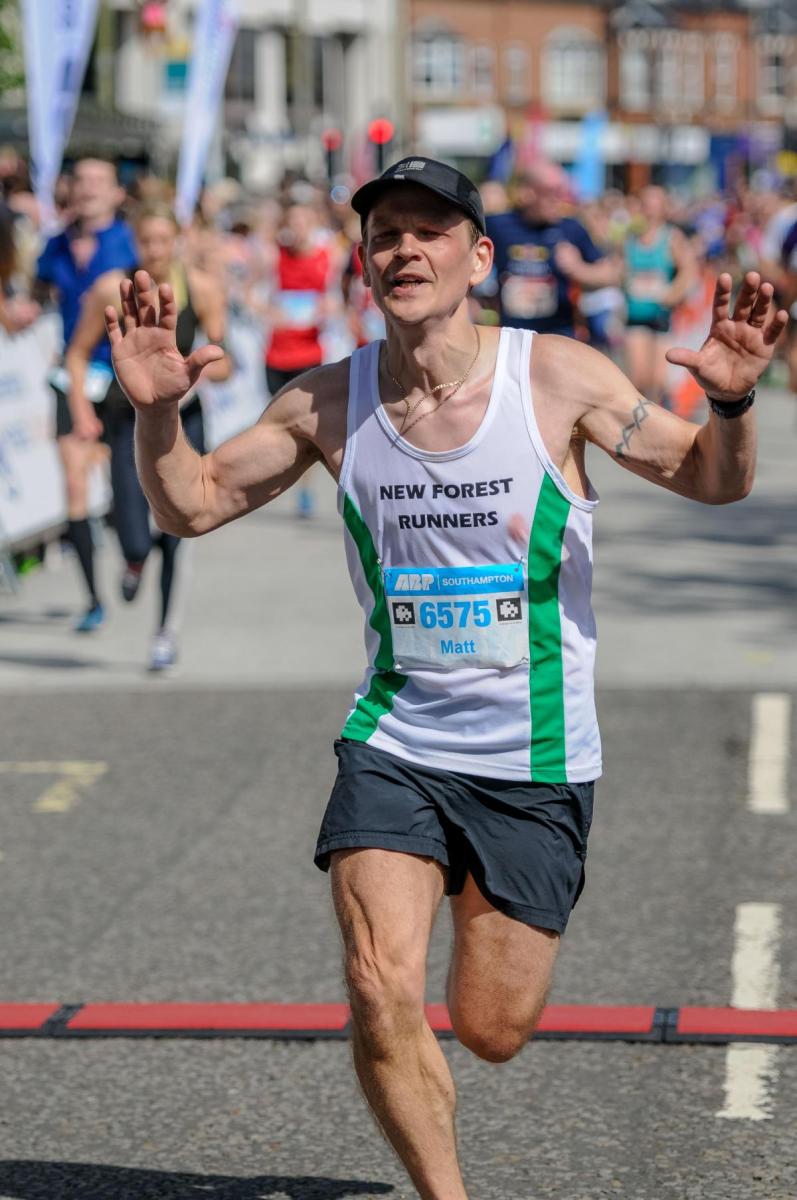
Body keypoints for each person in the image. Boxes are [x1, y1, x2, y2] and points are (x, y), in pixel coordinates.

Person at [106, 157, 785, 1199]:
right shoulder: (326, 402)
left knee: (491, 1029)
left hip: (537, 755)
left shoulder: (555, 377)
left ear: (477, 257)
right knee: (378, 982)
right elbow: (189, 505)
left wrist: (731, 403)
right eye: (383, 235)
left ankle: (477, 893)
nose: (402, 249)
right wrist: (154, 416)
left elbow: (707, 477)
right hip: (398, 743)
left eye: (428, 231)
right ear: (363, 266)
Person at [64, 202, 231, 670]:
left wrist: (209, 364)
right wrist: (81, 410)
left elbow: (226, 353)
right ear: (135, 243)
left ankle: (164, 633)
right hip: (127, 419)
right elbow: (75, 354)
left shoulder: (200, 288)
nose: (155, 251)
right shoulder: (109, 290)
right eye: (146, 242)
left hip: (186, 420)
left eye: (163, 241)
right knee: (134, 535)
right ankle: (135, 559)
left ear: (177, 240)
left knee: (181, 528)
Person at [35, 157, 138, 632]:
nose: (89, 188)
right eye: (82, 181)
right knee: (74, 482)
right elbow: (35, 295)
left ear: (117, 193)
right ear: (69, 189)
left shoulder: (130, 242)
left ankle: (133, 555)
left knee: (125, 482)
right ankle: (93, 598)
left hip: (119, 372)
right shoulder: (54, 245)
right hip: (71, 373)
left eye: (100, 181)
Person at [485, 161, 619, 338]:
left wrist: (578, 269)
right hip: (511, 336)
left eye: (563, 192)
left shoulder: (571, 228)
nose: (560, 200)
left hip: (558, 336)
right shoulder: (497, 225)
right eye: (552, 192)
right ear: (527, 192)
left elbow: (611, 275)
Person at [623, 185, 696, 406]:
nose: (650, 211)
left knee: (658, 380)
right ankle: (639, 425)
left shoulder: (672, 238)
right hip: (635, 312)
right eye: (646, 205)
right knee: (638, 377)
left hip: (661, 314)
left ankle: (658, 425)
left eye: (655, 206)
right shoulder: (631, 238)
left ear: (663, 208)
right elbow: (620, 270)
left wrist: (673, 294)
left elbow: (689, 270)